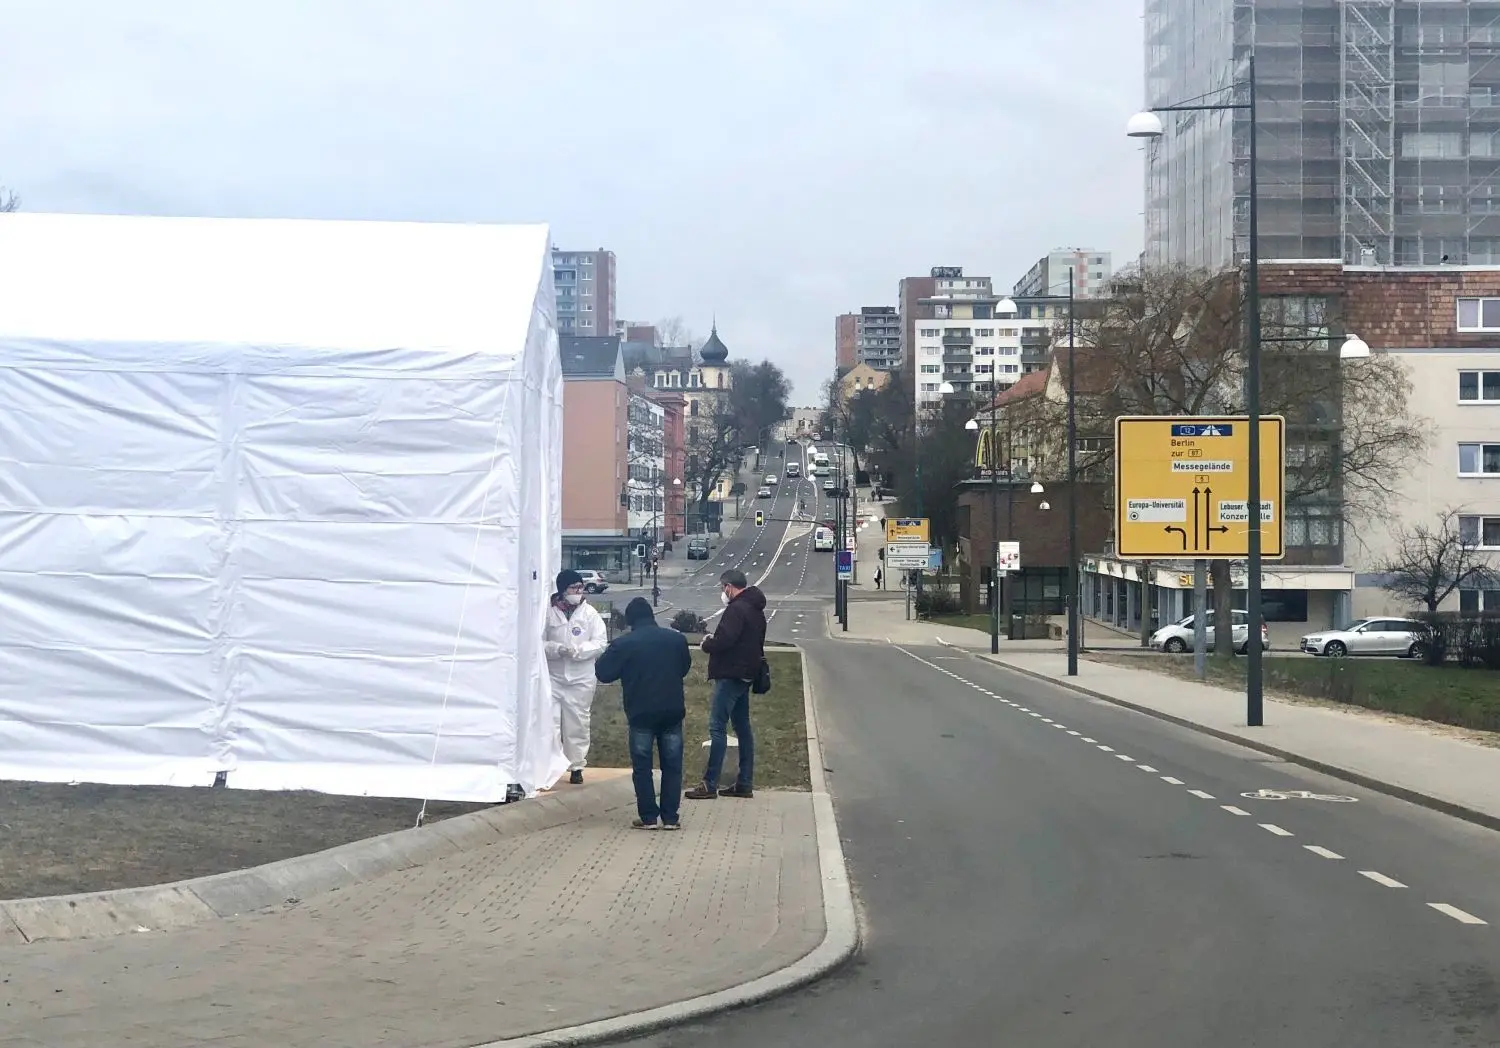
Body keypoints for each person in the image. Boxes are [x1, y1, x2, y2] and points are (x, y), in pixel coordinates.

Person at [594, 597, 691, 830]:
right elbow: (684, 667)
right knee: (672, 765)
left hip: (641, 712)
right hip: (672, 710)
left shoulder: (625, 643)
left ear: (630, 620)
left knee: (642, 766)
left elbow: (603, 673)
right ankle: (670, 817)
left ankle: (648, 817)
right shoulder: (676, 640)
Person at [685, 569, 766, 800]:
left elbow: (726, 640)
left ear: (730, 587)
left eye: (723, 588)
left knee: (717, 727)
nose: (723, 592)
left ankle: (709, 783)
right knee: (743, 728)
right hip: (747, 674)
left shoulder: (736, 609)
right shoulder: (755, 609)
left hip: (731, 674)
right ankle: (744, 782)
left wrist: (707, 644)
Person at [544, 569, 607, 784]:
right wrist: (556, 649)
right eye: (573, 588)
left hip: (581, 678)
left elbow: (600, 643)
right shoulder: (548, 613)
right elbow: (537, 642)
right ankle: (548, 766)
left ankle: (576, 766)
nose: (578, 591)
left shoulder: (589, 614)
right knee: (549, 723)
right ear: (562, 590)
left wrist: (578, 651)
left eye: (580, 587)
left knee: (577, 723)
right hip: (554, 676)